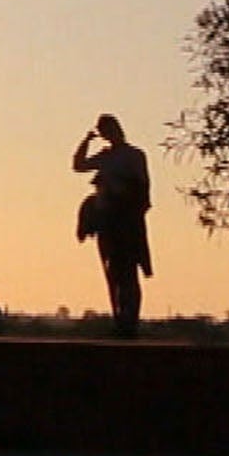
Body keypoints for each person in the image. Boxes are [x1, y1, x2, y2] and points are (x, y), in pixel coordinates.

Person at [72, 114, 153, 339]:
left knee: (128, 271)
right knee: (112, 272)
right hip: (106, 219)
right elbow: (78, 165)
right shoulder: (106, 156)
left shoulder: (134, 155)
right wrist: (86, 141)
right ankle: (119, 318)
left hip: (126, 219)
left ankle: (130, 320)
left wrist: (132, 210)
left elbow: (143, 188)